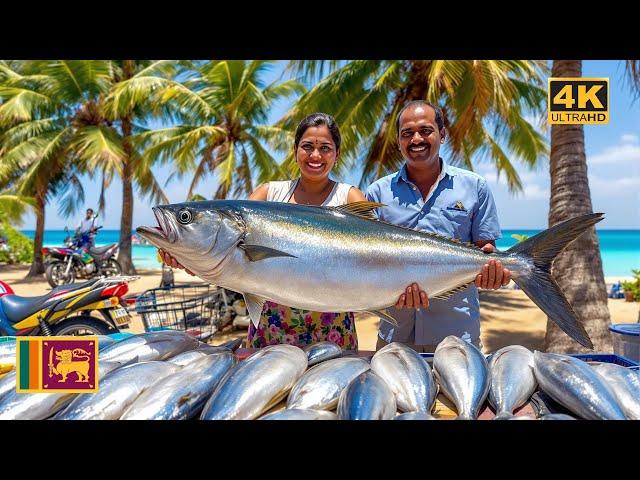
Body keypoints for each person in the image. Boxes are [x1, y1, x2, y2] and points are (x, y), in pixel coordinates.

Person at [161, 113, 414, 350]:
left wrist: (399, 290)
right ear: (295, 152)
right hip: (272, 330)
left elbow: (378, 261)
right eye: (307, 146)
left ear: (336, 154)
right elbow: (229, 264)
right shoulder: (267, 194)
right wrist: (186, 259)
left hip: (334, 331)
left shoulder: (349, 197)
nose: (315, 155)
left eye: (325, 148)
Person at [366, 100, 511, 353]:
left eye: (425, 130)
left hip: (457, 336)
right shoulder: (377, 192)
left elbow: (485, 250)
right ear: (398, 142)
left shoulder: (475, 187)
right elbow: (369, 263)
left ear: (442, 134)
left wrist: (494, 272)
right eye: (407, 133)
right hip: (395, 337)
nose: (416, 139)